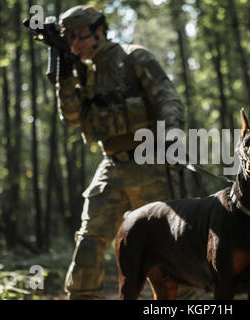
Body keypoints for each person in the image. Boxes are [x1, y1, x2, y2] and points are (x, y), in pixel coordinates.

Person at [54, 5, 187, 299]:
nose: (75, 44)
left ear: (99, 30)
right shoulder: (82, 73)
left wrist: (172, 138)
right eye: (69, 38)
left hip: (149, 162)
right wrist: (63, 77)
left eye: (80, 36)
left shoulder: (134, 58)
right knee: (88, 245)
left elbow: (168, 99)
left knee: (171, 249)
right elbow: (71, 118)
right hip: (111, 167)